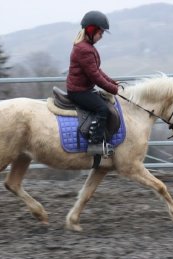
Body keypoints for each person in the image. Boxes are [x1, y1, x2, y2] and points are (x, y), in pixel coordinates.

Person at [66, 10, 120, 154]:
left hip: (84, 89)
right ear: (91, 30)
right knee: (102, 109)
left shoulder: (87, 47)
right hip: (78, 91)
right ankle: (95, 144)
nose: (101, 36)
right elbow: (95, 76)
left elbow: (97, 70)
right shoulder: (84, 50)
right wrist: (113, 89)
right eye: (100, 33)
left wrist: (112, 83)